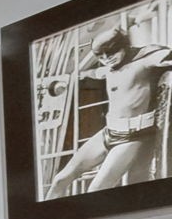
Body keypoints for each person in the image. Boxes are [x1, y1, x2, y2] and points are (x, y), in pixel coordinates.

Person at [44, 24, 172, 197]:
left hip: (134, 136)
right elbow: (96, 73)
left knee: (96, 190)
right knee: (60, 180)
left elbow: (165, 56)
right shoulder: (109, 68)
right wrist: (71, 79)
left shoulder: (145, 59)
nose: (107, 58)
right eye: (101, 56)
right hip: (109, 132)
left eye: (111, 52)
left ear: (123, 46)